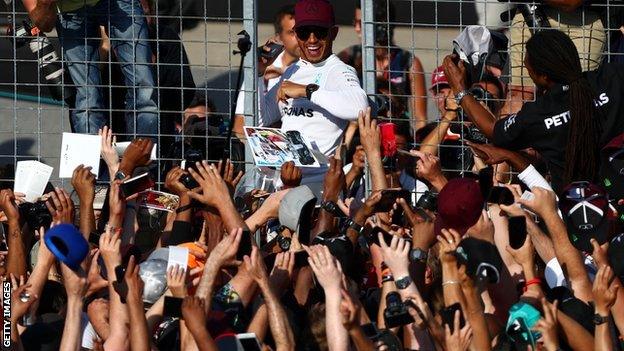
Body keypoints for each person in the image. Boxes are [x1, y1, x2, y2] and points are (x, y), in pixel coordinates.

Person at [443, 29, 624, 190]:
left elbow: (493, 130)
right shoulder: (612, 78)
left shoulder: (537, 115)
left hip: (577, 211)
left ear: (543, 76)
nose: (528, 72)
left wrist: (460, 89)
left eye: (528, 69)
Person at [264, 0, 368, 189]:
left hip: (318, 188)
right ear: (296, 35)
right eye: (304, 33)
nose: (312, 40)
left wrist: (306, 90)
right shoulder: (292, 71)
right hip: (282, 182)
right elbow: (262, 117)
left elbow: (360, 108)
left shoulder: (338, 70)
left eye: (320, 32)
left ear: (333, 33)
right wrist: (255, 72)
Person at [22, 0, 158, 137]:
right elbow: (44, 24)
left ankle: (143, 154)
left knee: (143, 85)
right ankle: (90, 156)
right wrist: (45, 3)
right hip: (70, 11)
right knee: (87, 97)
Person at [338, 0, 428, 131]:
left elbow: (420, 119)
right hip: (358, 136)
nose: (356, 28)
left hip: (396, 137)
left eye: (361, 23)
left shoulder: (408, 62)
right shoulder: (349, 57)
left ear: (382, 24)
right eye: (355, 22)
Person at [233, 4, 301, 138]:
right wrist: (259, 72)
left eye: (302, 31)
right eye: (292, 32)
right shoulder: (262, 66)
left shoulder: (312, 69)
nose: (300, 38)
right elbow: (241, 123)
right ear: (279, 37)